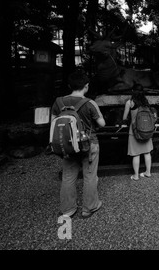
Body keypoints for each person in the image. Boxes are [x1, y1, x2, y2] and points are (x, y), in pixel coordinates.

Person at [51, 71, 106, 218]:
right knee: (90, 175)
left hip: (68, 145)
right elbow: (102, 123)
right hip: (89, 143)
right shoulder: (89, 103)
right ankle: (89, 207)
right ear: (86, 86)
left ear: (70, 85)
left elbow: (53, 122)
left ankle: (68, 210)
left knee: (68, 176)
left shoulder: (58, 102)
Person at [122, 91, 154, 180]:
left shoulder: (130, 102)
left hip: (134, 131)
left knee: (136, 154)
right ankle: (148, 172)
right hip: (147, 131)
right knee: (147, 153)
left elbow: (124, 118)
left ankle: (136, 176)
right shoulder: (145, 102)